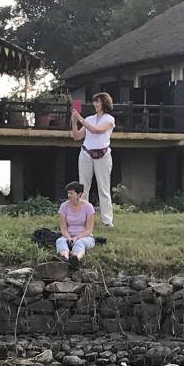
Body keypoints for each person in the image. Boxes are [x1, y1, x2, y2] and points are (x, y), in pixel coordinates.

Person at [71, 92, 115, 228]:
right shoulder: (89, 119)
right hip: (86, 154)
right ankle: (83, 219)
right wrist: (74, 121)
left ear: (104, 103)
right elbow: (77, 136)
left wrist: (80, 119)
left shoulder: (109, 119)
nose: (95, 104)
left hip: (103, 155)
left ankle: (107, 221)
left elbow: (96, 130)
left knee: (104, 188)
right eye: (94, 102)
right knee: (83, 187)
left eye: (98, 102)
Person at [56, 181, 95, 268]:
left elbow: (89, 230)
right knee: (60, 241)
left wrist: (77, 238)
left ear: (79, 194)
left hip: (85, 236)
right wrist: (69, 238)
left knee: (80, 243)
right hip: (68, 235)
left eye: (71, 193)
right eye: (68, 193)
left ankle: (76, 258)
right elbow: (63, 228)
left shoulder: (88, 207)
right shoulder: (64, 206)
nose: (69, 195)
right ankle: (64, 257)